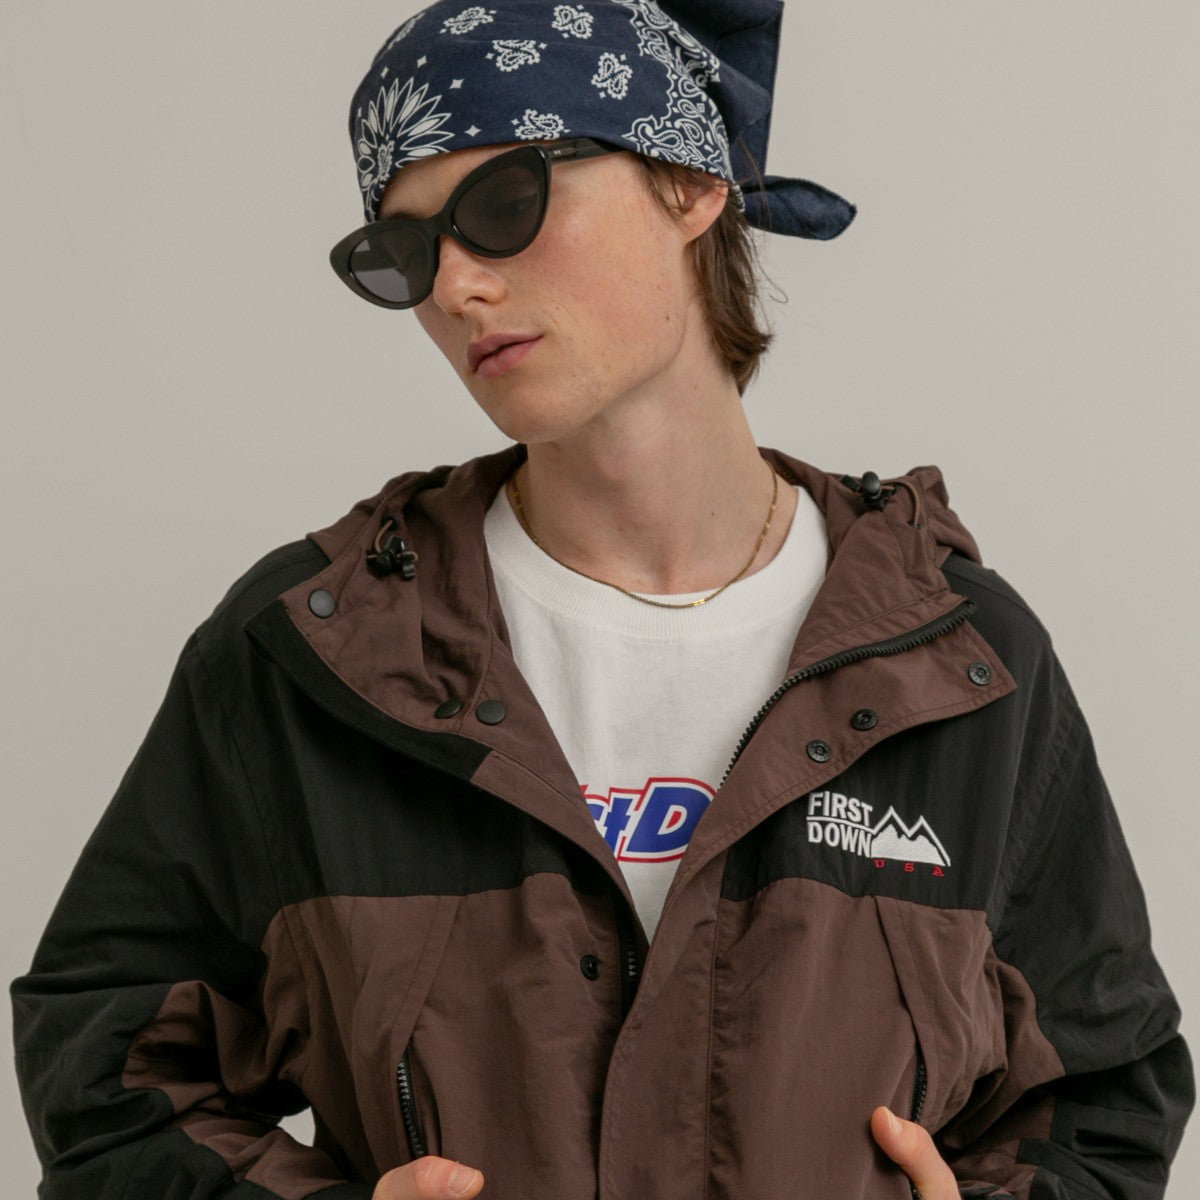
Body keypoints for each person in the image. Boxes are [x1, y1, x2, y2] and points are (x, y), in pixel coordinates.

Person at [12, 2, 1192, 1197]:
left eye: (504, 204)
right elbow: (109, 1069)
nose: (456, 287)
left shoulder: (958, 663)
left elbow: (1101, 1095)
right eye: (406, 253)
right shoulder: (320, 657)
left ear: (691, 183)